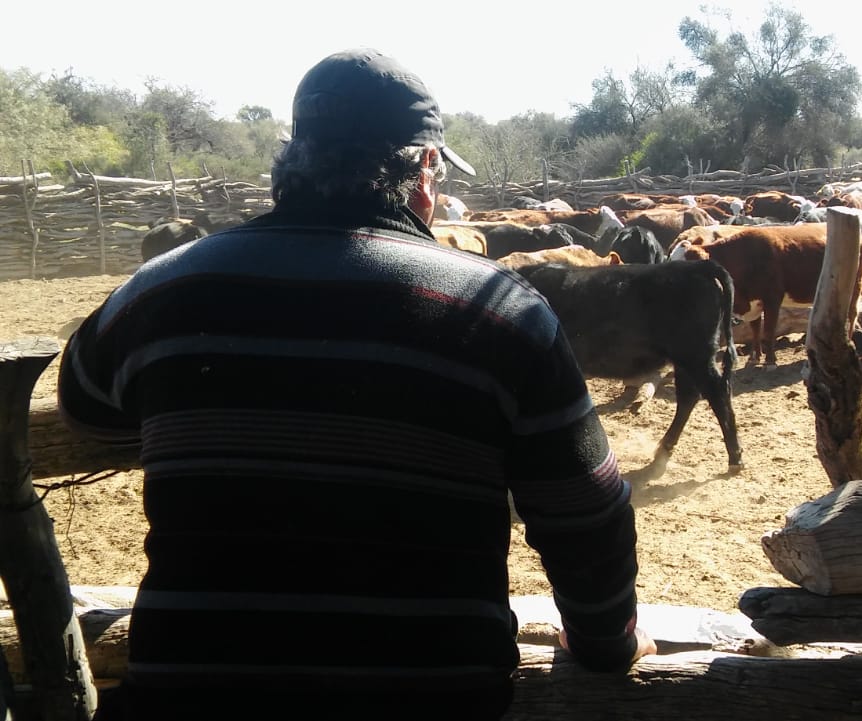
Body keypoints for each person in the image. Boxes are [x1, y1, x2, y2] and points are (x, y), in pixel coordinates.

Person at [58, 48, 654, 721]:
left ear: (290, 161)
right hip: (429, 697)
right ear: (426, 170)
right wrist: (606, 643)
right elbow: (586, 510)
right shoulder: (501, 312)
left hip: (192, 696)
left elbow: (84, 407)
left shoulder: (163, 287)